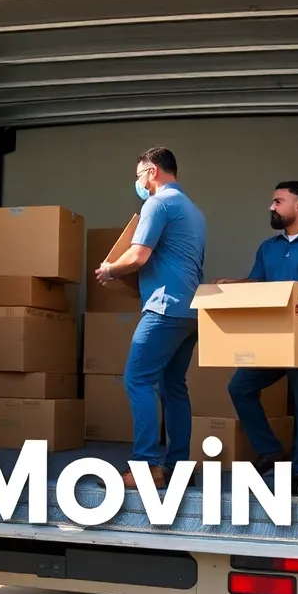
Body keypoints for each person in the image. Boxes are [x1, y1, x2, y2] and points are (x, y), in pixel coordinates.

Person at [214, 180, 298, 492]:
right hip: (274, 340)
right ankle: (271, 452)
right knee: (240, 387)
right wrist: (234, 284)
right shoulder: (269, 247)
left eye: (278, 201)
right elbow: (259, 282)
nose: (271, 207)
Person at [96, 147, 206, 489]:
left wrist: (110, 270)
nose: (139, 182)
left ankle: (145, 467)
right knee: (174, 387)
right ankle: (178, 467)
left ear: (153, 171)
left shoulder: (157, 204)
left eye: (140, 175)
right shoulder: (193, 210)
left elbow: (139, 255)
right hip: (191, 311)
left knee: (137, 380)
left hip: (164, 308)